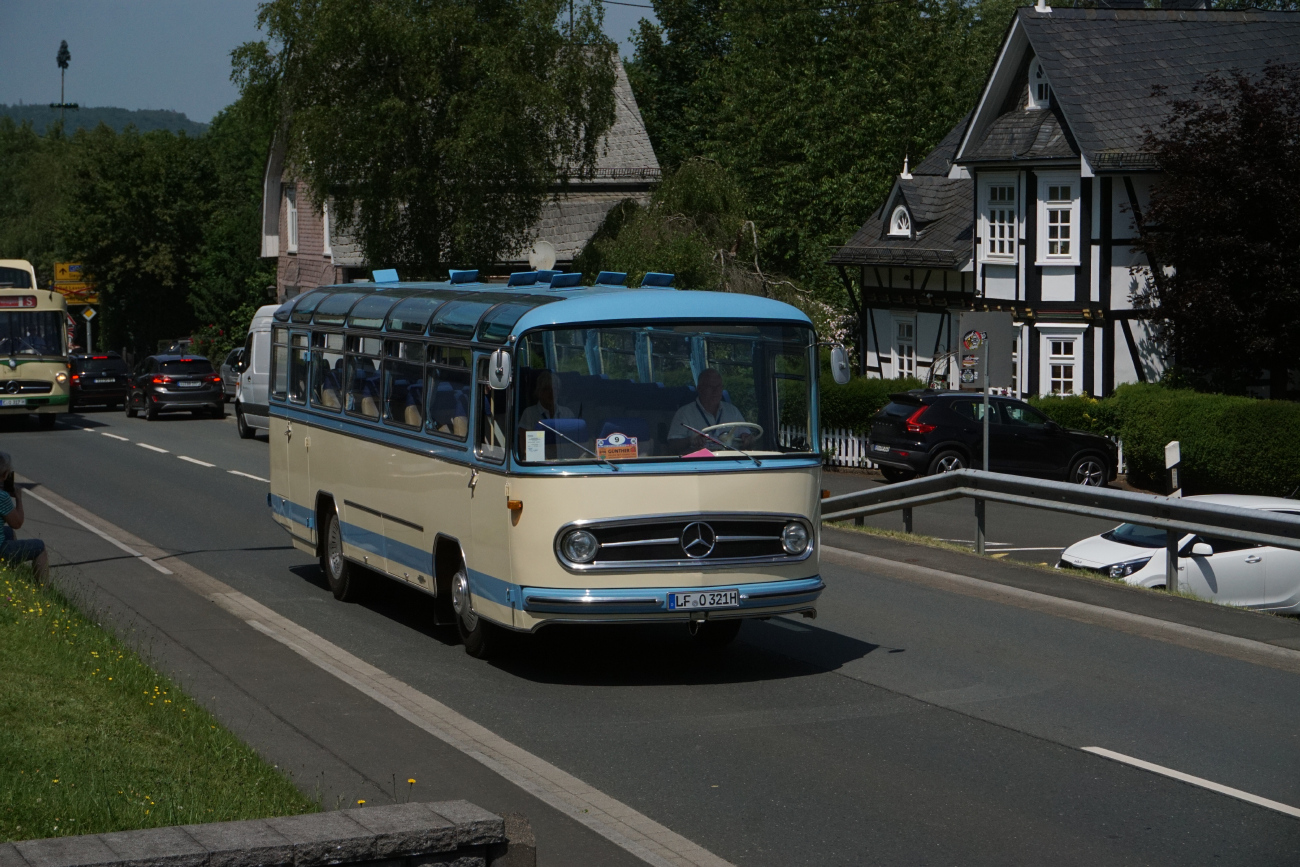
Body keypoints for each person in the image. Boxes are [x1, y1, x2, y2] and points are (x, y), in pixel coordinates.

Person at [668, 368, 749, 453]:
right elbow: (672, 445)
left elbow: (747, 437)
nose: (716, 391)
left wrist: (747, 438)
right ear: (699, 389)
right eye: (710, 387)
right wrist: (690, 440)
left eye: (719, 387)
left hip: (730, 461)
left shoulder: (732, 411)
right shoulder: (684, 413)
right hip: (700, 463)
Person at [0, 452, 49, 582]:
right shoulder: (2, 497)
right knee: (39, 547)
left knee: (8, 532)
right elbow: (17, 523)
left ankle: (10, 573)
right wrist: (19, 499)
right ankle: (43, 592)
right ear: (5, 475)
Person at [517, 370, 574, 440]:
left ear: (558, 391)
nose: (551, 392)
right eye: (546, 389)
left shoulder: (567, 413)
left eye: (554, 388)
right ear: (539, 392)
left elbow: (574, 441)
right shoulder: (529, 414)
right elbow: (525, 448)